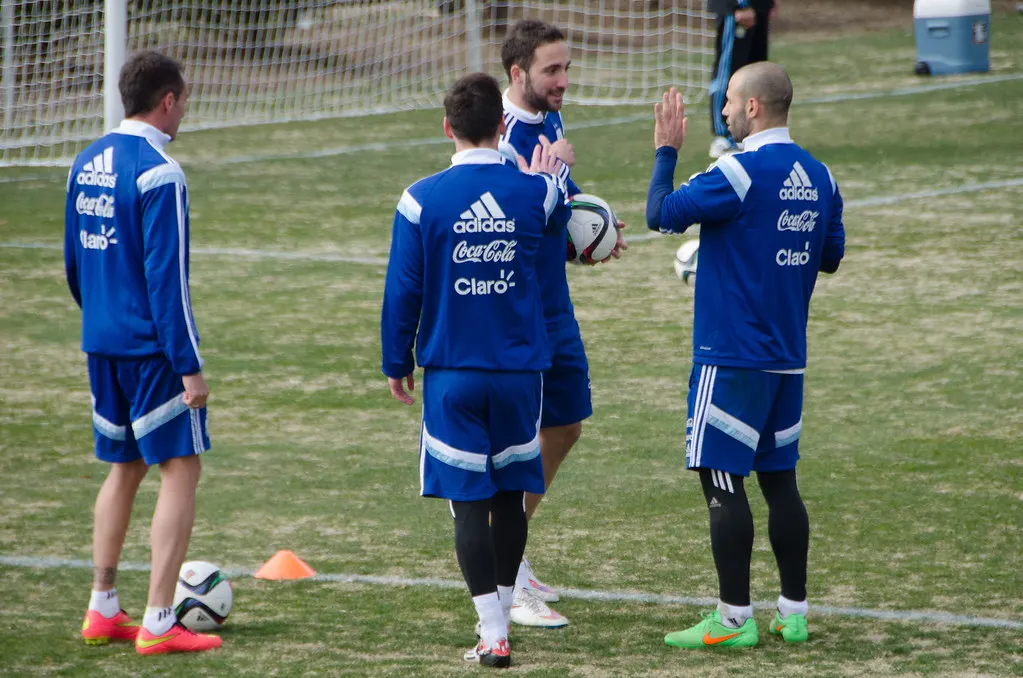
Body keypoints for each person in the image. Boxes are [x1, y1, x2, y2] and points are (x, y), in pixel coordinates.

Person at [646, 61, 845, 649]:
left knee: (721, 479)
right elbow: (829, 256)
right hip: (787, 356)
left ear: (755, 107)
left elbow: (661, 214)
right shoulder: (820, 174)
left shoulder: (737, 171)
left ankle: (733, 619)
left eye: (730, 100)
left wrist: (665, 151)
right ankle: (794, 613)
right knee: (781, 482)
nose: (725, 110)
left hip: (730, 355)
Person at [380, 72, 570, 668]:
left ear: (448, 128)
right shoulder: (537, 194)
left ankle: (493, 634)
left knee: (468, 503)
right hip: (518, 374)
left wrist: (395, 360)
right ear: (500, 128)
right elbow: (562, 235)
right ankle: (510, 608)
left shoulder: (419, 199)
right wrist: (557, 176)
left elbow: (401, 291)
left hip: (451, 375)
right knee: (511, 498)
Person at [65, 50, 222, 655]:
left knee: (123, 467)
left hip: (101, 342)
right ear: (167, 101)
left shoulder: (86, 159)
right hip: (151, 351)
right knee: (181, 467)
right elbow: (169, 281)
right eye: (184, 100)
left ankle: (103, 607)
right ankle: (160, 620)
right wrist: (189, 365)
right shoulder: (161, 172)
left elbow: (75, 264)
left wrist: (102, 317)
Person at [497, 18, 627, 629]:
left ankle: (511, 546)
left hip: (556, 303)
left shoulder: (550, 119)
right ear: (518, 72)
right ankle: (505, 573)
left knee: (567, 425)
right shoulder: (501, 142)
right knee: (523, 443)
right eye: (552, 70)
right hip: (519, 314)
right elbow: (511, 232)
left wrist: (591, 237)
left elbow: (561, 208)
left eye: (567, 68)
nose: (564, 81)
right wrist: (549, 184)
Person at [708, 0, 779, 158]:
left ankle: (752, 132)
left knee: (757, 72)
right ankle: (725, 136)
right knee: (729, 71)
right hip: (736, 8)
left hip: (758, 6)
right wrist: (741, 4)